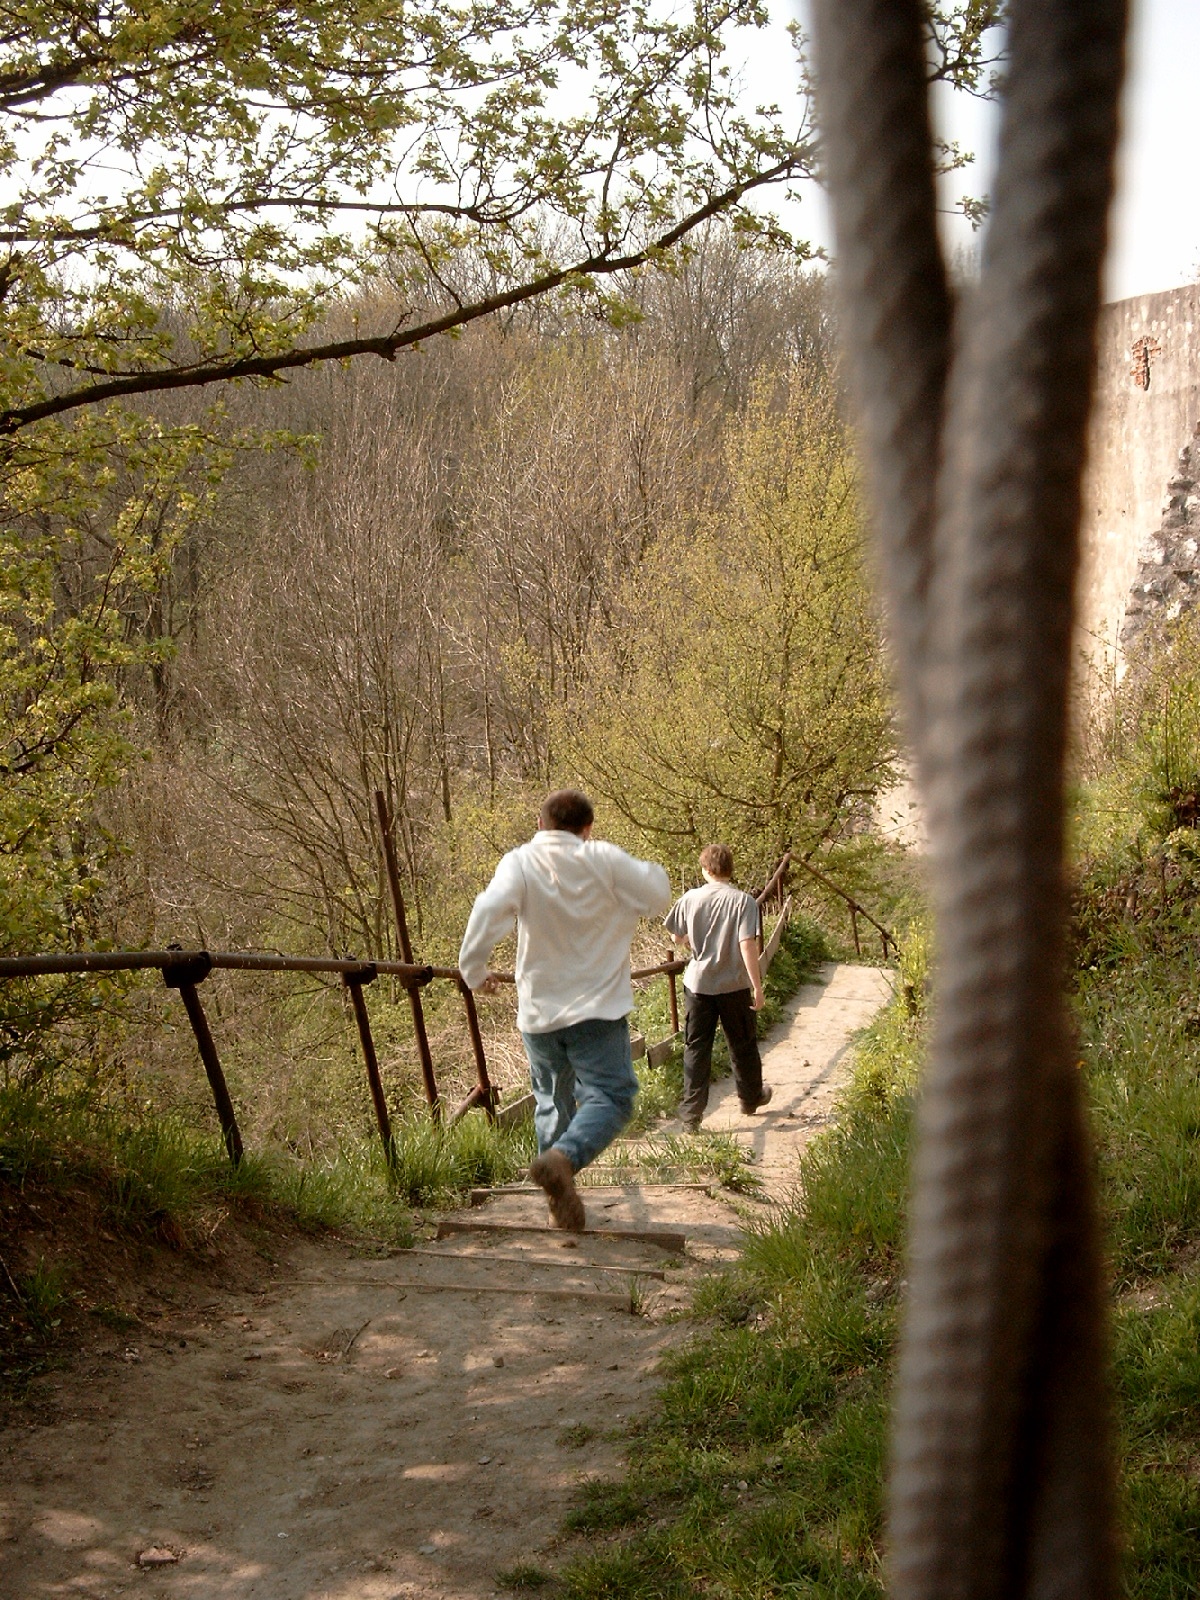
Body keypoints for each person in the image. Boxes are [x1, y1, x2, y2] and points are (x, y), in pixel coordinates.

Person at [458, 789, 671, 1230]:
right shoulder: (604, 859)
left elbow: (489, 909)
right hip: (598, 1011)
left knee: (551, 1102)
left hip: (539, 1013)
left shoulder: (520, 861)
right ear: (587, 828)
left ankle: (558, 1197)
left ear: (541, 825)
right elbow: (658, 895)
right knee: (611, 1096)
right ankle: (564, 1159)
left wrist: (474, 972)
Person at [664, 843, 772, 1132]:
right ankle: (750, 1098)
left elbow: (676, 936)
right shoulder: (744, 902)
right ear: (730, 870)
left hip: (698, 985)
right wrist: (757, 986)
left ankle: (691, 1116)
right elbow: (747, 944)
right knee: (743, 1043)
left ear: (705, 869)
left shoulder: (690, 898)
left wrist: (690, 941)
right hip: (734, 984)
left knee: (696, 1047)